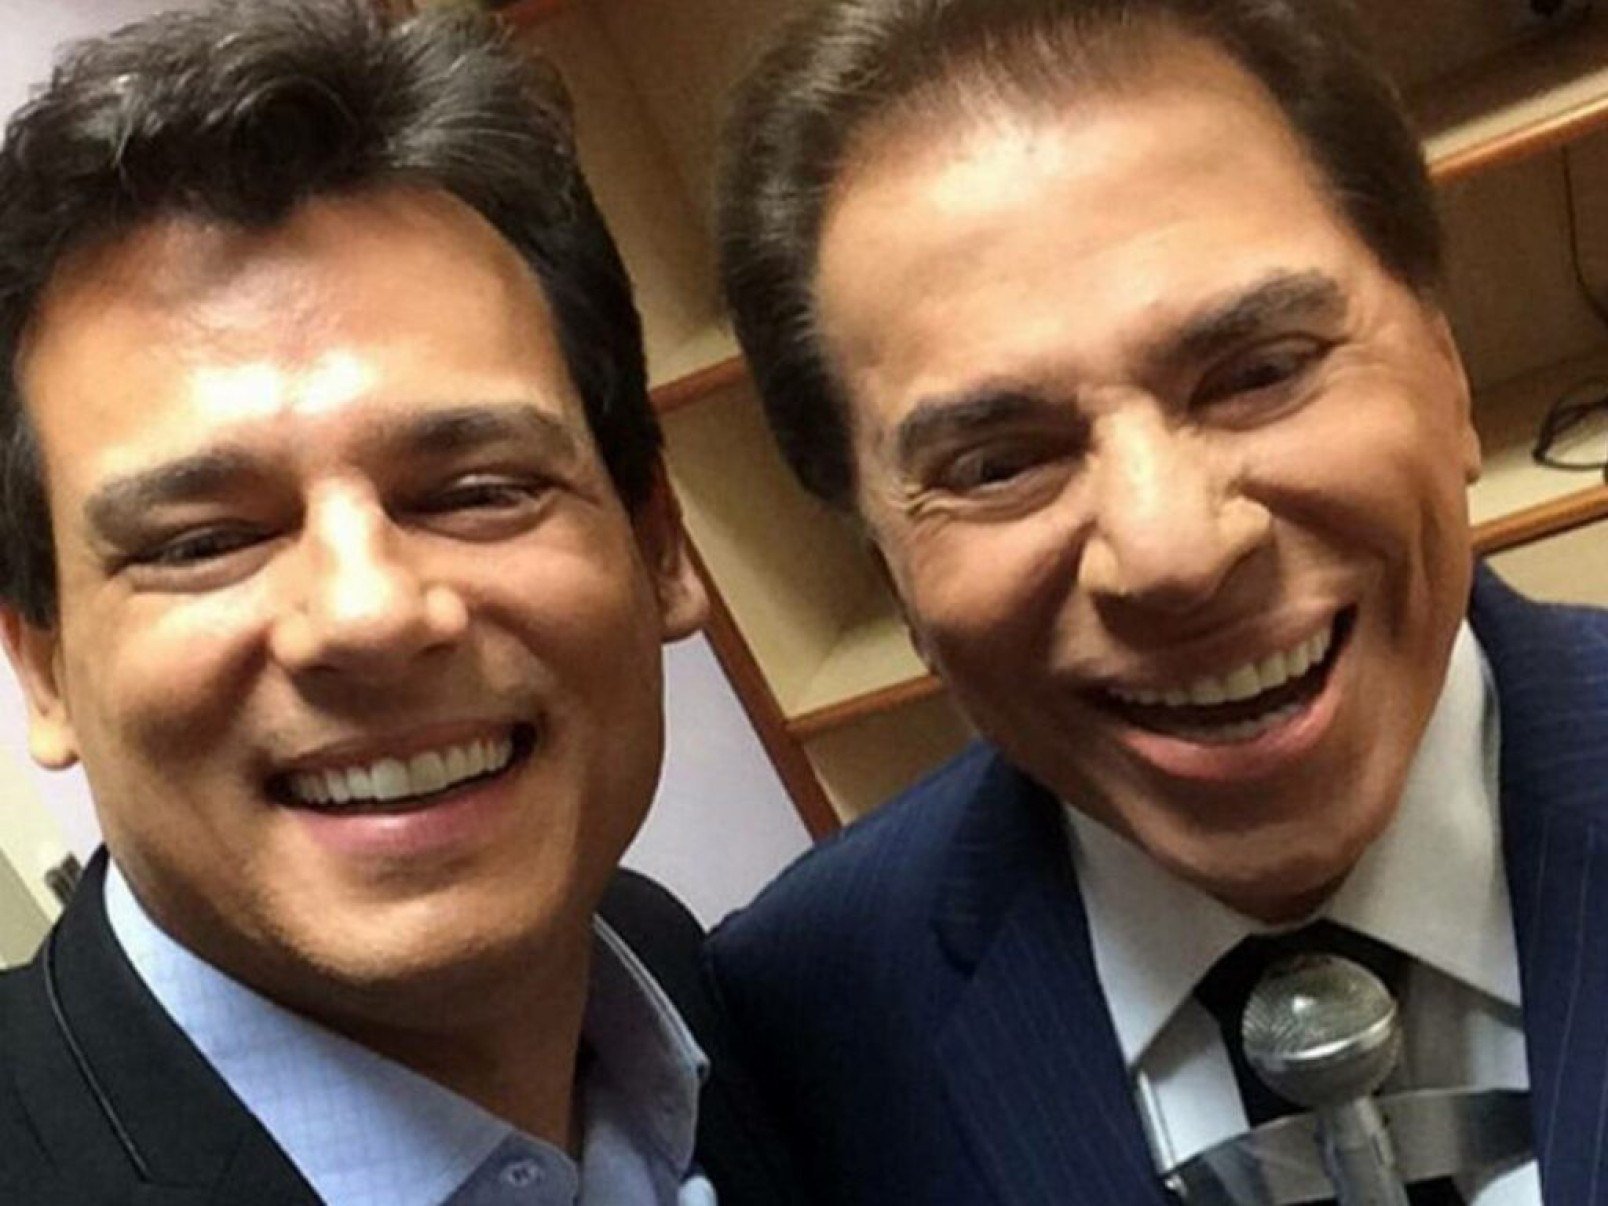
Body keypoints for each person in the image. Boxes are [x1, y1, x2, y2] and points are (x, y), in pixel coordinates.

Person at [708, 0, 1608, 1202]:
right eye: (997, 462)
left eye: (1261, 372)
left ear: (1447, 376)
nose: (1172, 550)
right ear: (889, 574)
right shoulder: (794, 1026)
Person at [0, 2, 805, 1203]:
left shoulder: (683, 975)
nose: (370, 612)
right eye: (204, 541)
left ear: (661, 546)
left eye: (477, 492)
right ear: (44, 669)